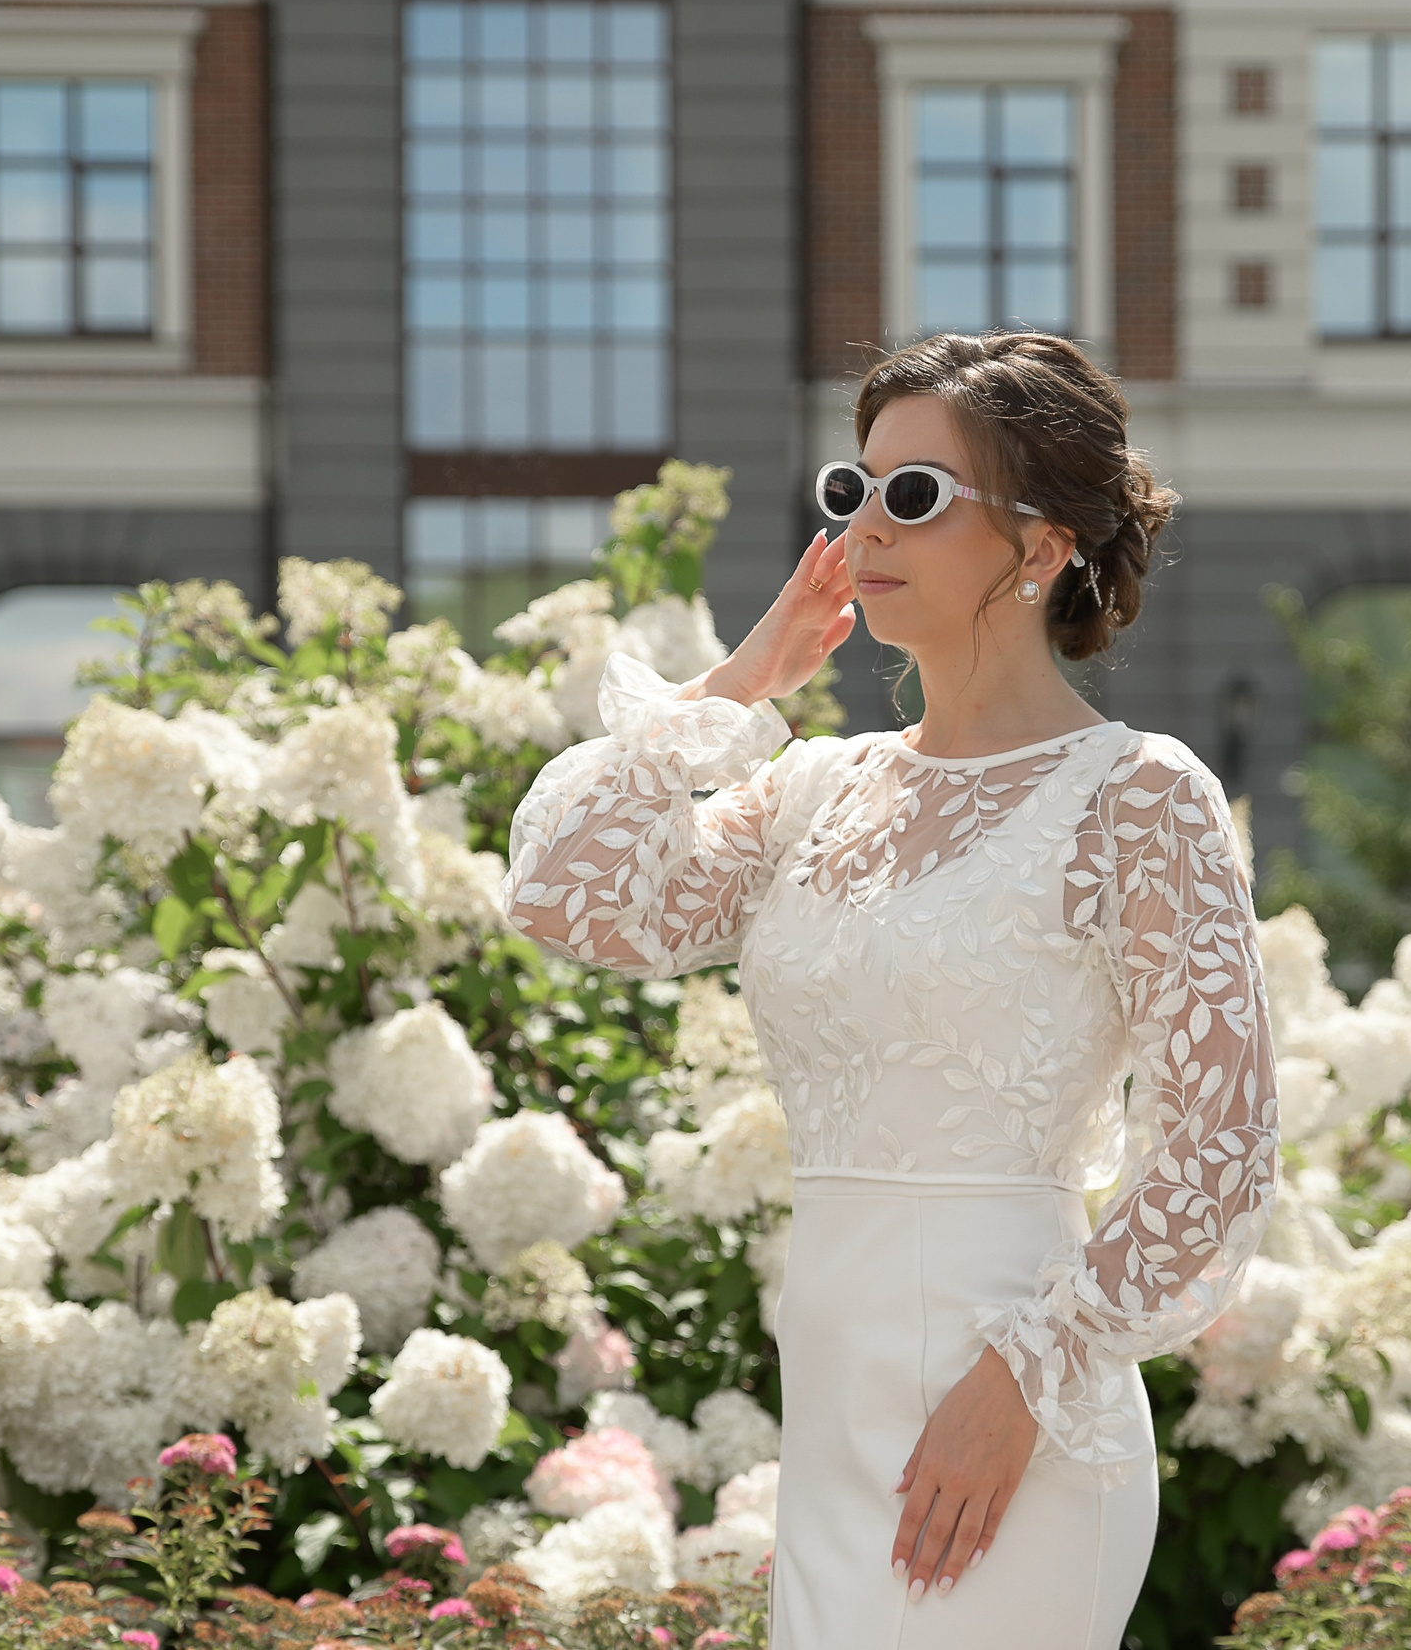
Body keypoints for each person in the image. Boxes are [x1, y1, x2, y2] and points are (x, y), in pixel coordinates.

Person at [499, 330, 1279, 1648]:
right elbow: (565, 892)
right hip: (831, 1395)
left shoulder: (1140, 797)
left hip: (1018, 1409)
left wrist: (1024, 1383)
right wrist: (742, 683)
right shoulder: (817, 789)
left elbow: (1221, 1145)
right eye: (850, 488)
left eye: (915, 494)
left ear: (1041, 546)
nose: (867, 525)